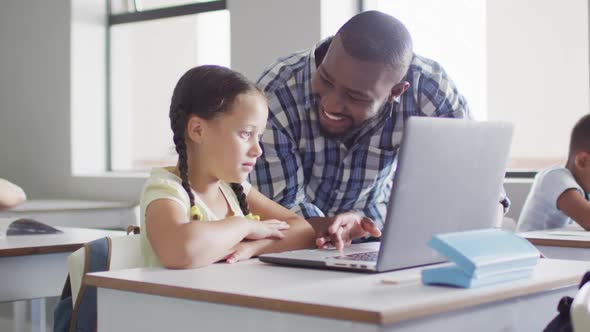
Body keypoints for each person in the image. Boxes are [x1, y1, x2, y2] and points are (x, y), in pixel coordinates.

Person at [250, 10, 510, 250]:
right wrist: (339, 229)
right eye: (325, 79)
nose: (330, 103)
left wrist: (490, 241)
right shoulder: (275, 92)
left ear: (395, 93)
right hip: (295, 245)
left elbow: (480, 188)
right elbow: (280, 213)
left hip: (377, 237)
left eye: (355, 96)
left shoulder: (429, 91)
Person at [140, 65, 316, 269]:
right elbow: (181, 250)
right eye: (246, 134)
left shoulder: (232, 188)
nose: (257, 150)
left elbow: (304, 231)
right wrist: (246, 226)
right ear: (198, 130)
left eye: (258, 137)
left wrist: (254, 247)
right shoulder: (166, 190)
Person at [516, 114, 590, 232]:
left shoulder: (583, 190)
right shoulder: (554, 177)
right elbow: (588, 219)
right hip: (533, 249)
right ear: (583, 161)